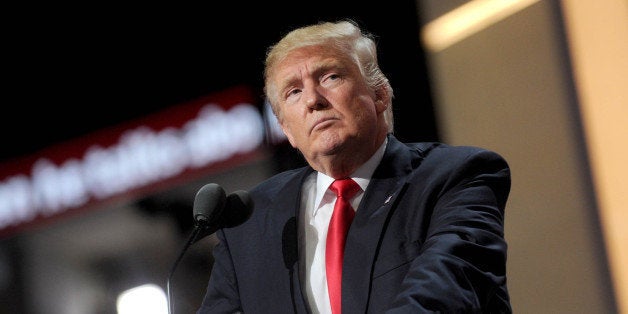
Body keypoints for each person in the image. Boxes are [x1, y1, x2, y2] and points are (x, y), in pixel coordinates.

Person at [197, 19, 511, 313]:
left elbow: (446, 290)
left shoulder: (456, 176)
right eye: (294, 91)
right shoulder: (249, 222)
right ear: (287, 130)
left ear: (380, 94)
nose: (313, 100)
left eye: (330, 77)